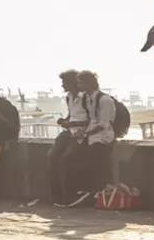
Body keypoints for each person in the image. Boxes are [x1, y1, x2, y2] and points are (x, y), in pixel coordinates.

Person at [48, 69, 86, 205]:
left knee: (67, 160)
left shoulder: (86, 98)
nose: (63, 86)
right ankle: (56, 196)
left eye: (64, 83)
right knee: (52, 156)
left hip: (82, 133)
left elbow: (93, 120)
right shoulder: (69, 96)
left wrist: (72, 123)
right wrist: (64, 121)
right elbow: (71, 115)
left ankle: (72, 195)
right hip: (70, 132)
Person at [79, 70, 118, 196]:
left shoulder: (105, 100)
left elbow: (104, 124)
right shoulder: (88, 99)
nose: (78, 85)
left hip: (103, 139)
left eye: (81, 83)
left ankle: (102, 194)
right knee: (90, 167)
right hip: (92, 138)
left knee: (101, 168)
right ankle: (93, 193)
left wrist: (86, 134)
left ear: (88, 83)